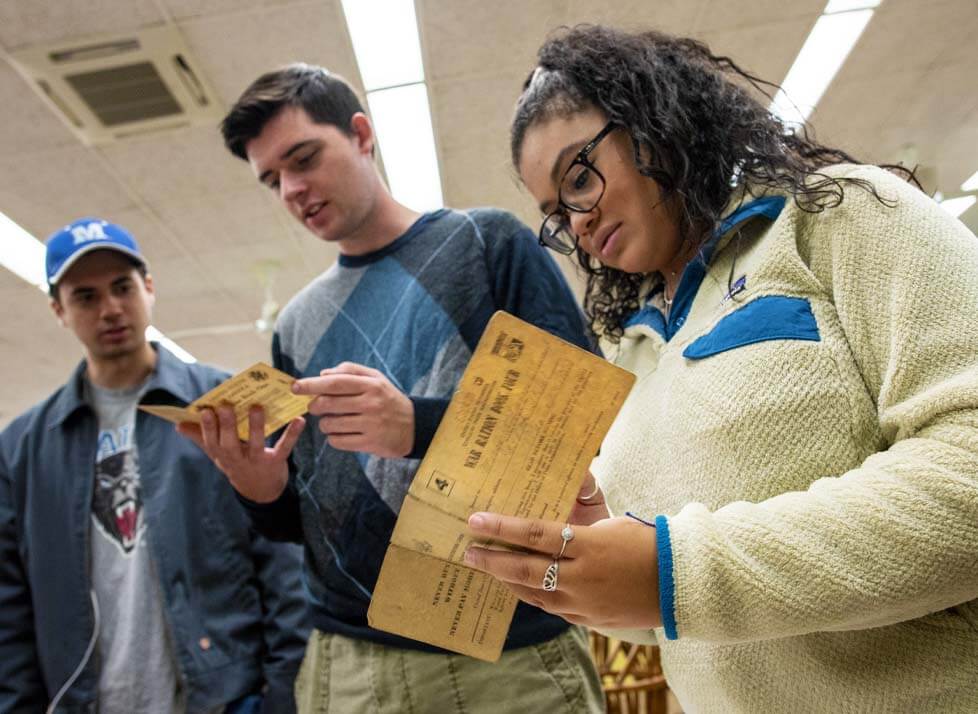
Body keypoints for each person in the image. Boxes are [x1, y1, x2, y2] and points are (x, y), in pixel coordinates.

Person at [462, 25, 978, 713]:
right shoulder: (632, 349)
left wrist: (675, 570)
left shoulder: (835, 216)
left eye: (579, 179)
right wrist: (603, 551)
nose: (578, 225)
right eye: (558, 215)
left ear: (655, 120)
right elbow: (689, 624)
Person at [177, 64, 605, 712]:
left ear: (360, 134)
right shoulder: (295, 326)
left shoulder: (486, 245)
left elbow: (579, 423)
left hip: (502, 653)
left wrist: (416, 426)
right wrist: (260, 489)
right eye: (273, 179)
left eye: (303, 158)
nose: (292, 189)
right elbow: (305, 521)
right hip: (345, 663)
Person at [0, 218, 309, 713]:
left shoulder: (226, 410)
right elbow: (9, 608)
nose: (110, 309)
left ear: (149, 287)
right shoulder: (22, 450)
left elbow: (284, 562)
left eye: (122, 287)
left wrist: (281, 698)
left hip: (223, 698)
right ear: (59, 311)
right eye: (86, 296)